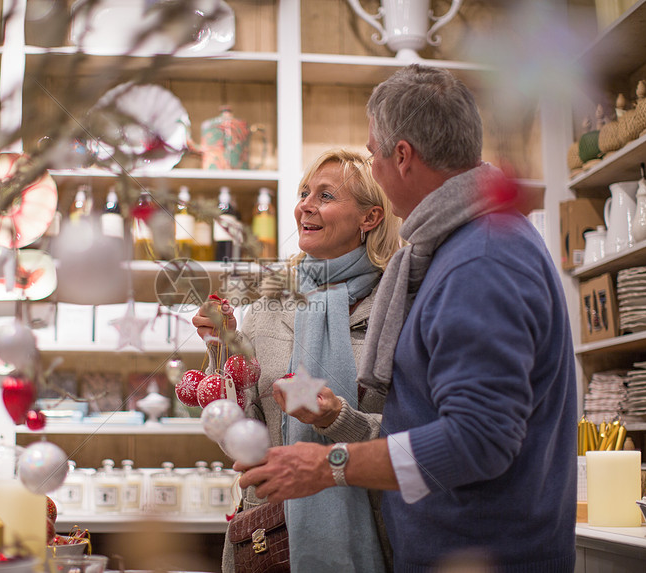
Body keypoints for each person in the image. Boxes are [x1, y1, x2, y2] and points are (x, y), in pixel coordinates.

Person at [236, 64, 578, 572]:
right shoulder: (466, 247)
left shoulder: (479, 260)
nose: (372, 164)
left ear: (402, 156)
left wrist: (331, 464)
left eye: (373, 152)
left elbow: (478, 438)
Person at [191, 148, 401, 572]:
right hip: (270, 535)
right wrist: (220, 354)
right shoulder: (269, 304)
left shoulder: (397, 307)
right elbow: (236, 428)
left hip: (375, 532)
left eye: (325, 196)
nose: (305, 205)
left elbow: (418, 439)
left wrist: (336, 417)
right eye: (305, 192)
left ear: (370, 217)